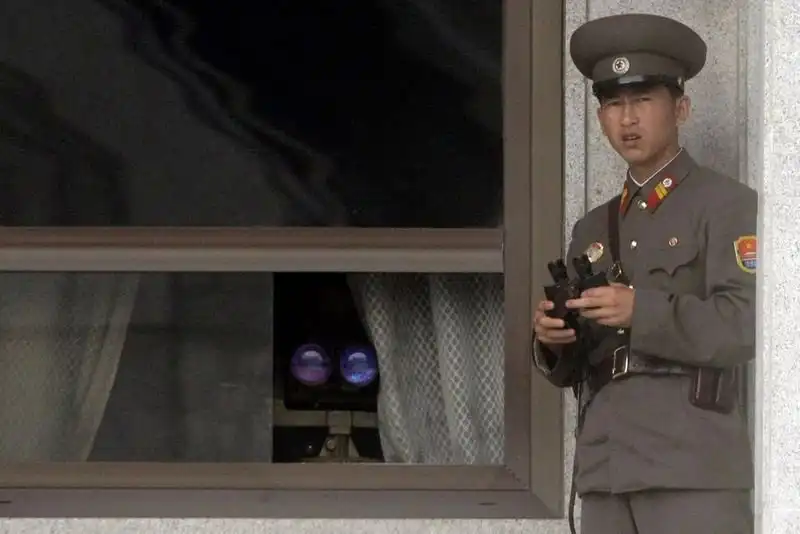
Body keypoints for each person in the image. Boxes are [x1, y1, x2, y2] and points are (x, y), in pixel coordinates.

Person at [532, 13, 757, 534]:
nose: (627, 118)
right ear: (600, 117)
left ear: (681, 108)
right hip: (607, 468)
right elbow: (579, 365)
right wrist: (554, 340)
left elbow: (748, 324)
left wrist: (641, 311)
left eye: (643, 100)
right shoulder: (593, 227)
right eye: (613, 104)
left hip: (691, 469)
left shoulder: (726, 205)